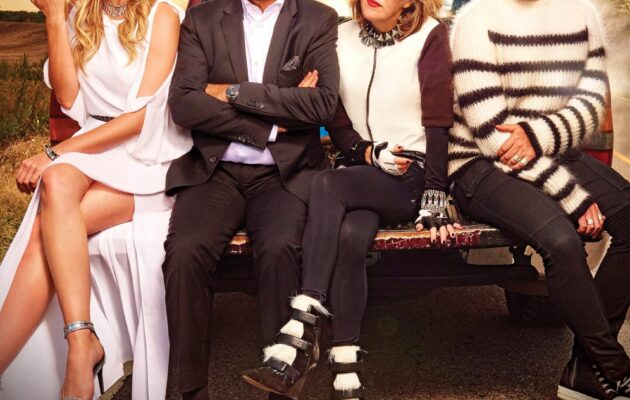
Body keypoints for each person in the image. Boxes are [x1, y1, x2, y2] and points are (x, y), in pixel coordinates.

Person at [242, 0, 457, 397]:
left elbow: (438, 121)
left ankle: (301, 326)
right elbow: (336, 118)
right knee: (350, 236)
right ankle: (346, 373)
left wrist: (435, 193)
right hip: (358, 169)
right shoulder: (339, 36)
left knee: (326, 185)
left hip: (408, 173)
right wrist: (366, 152)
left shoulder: (429, 34)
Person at [0, 0, 191, 397]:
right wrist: (55, 18)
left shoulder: (163, 15)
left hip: (148, 157)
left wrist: (56, 151)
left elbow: (141, 119)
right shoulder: (80, 16)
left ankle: (72, 345)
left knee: (47, 231)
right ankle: (81, 339)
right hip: (93, 146)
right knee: (56, 184)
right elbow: (71, 102)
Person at [448, 0, 630, 399]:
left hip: (553, 148)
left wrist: (537, 135)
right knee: (561, 241)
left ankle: (586, 369)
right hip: (479, 162)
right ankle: (614, 365)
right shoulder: (476, 18)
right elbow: (490, 134)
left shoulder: (582, 13)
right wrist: (572, 196)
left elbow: (590, 105)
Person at [162, 0, 339, 397]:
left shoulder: (317, 18)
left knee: (279, 249)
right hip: (215, 170)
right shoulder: (203, 19)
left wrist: (232, 92)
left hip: (284, 172)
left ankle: (282, 381)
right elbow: (184, 103)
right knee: (184, 253)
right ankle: (191, 389)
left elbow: (322, 103)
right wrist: (271, 123)